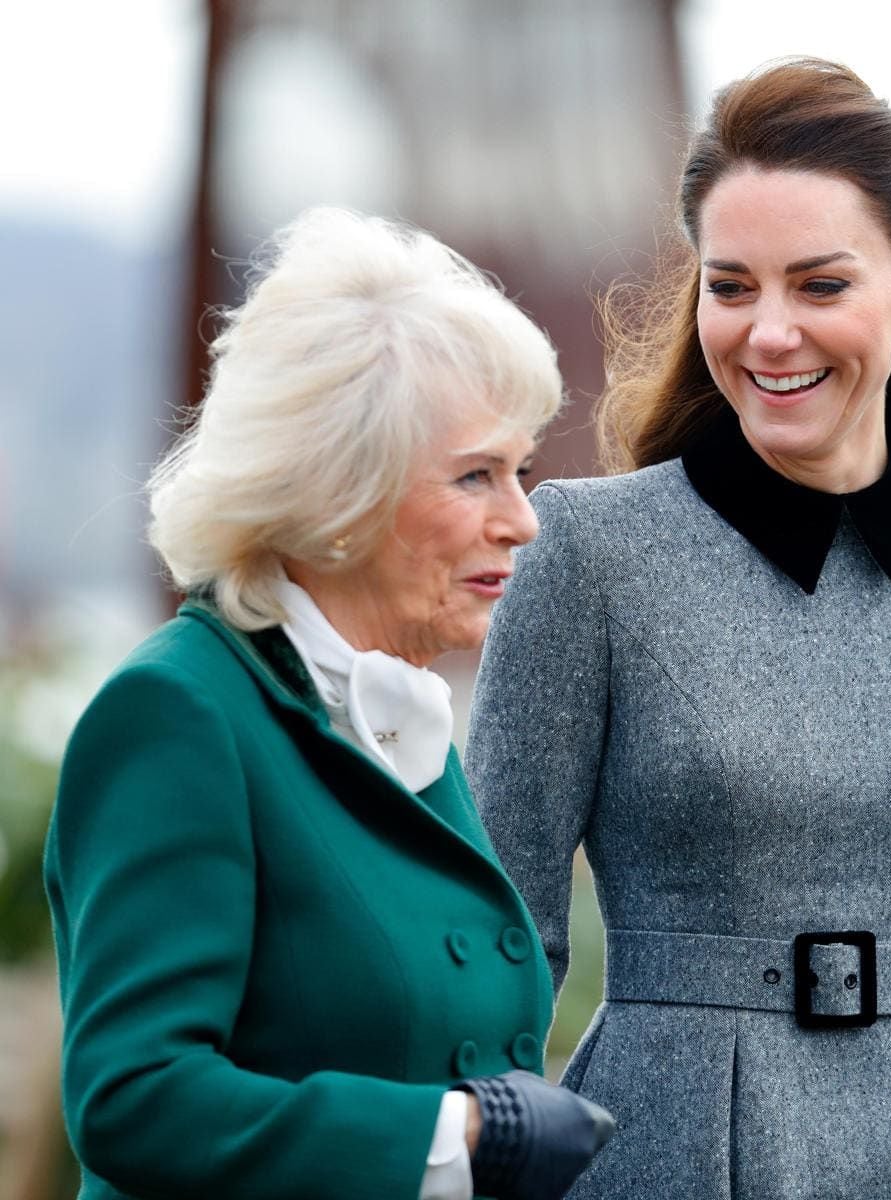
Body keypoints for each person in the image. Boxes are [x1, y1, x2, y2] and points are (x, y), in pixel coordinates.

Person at [466, 59, 891, 1199]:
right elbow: (500, 946)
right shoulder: (588, 553)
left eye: (819, 285)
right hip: (665, 1154)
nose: (769, 333)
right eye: (731, 287)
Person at [43, 207, 613, 1200]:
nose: (523, 519)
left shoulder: (395, 715)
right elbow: (135, 1096)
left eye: (518, 473)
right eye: (476, 475)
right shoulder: (178, 716)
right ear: (340, 493)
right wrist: (463, 1136)